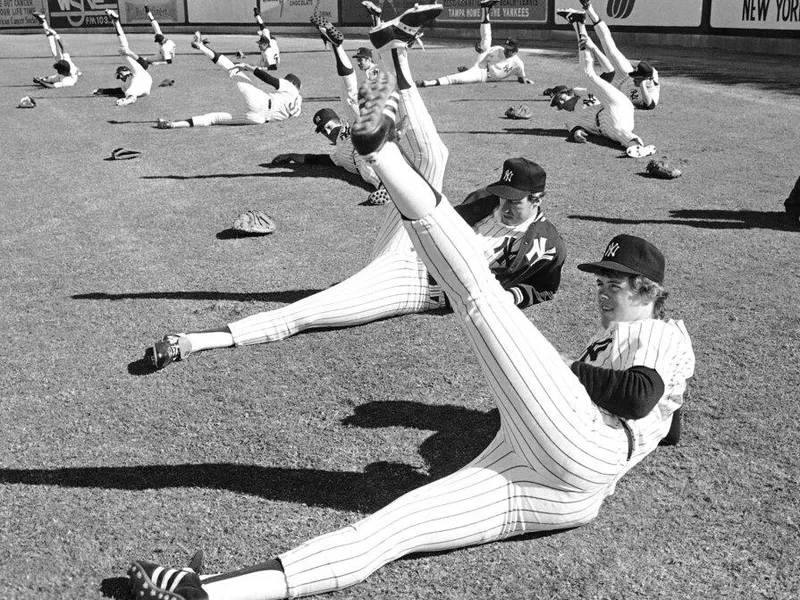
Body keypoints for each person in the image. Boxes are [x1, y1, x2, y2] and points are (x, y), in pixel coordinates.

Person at [127, 74, 695, 600]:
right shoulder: (624, 339)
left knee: (480, 298)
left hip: (587, 447)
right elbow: (662, 417)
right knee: (389, 530)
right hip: (559, 492)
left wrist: (575, 374)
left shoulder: (659, 331)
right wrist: (660, 415)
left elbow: (640, 395)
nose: (602, 290)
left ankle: (380, 148)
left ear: (648, 290)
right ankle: (205, 593)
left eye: (615, 283)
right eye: (601, 280)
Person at [142, 5, 564, 371]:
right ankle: (396, 50)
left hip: (417, 286)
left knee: (306, 312)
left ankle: (192, 340)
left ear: (537, 200)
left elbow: (541, 287)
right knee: (436, 158)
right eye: (502, 196)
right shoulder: (490, 202)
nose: (503, 205)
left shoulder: (545, 242)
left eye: (514, 201)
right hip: (417, 242)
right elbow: (445, 214)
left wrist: (510, 297)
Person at [269, 19, 381, 196]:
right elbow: (316, 159)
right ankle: (334, 45)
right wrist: (291, 156)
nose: (326, 132)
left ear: (338, 121)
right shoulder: (337, 153)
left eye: (327, 126)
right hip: (365, 151)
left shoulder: (347, 127)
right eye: (322, 130)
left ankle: (384, 189)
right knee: (346, 94)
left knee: (350, 97)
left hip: (367, 137)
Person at [546, 11, 655, 158]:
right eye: (557, 103)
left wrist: (593, 48)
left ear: (568, 92)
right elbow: (575, 130)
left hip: (615, 103)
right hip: (607, 124)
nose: (560, 103)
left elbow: (609, 72)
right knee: (618, 133)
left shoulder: (581, 92)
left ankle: (578, 24)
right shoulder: (570, 120)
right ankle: (637, 146)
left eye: (560, 97)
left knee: (588, 76)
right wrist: (577, 134)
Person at [155, 32, 301, 128]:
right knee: (214, 118)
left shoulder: (291, 87)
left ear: (292, 83)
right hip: (258, 118)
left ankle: (201, 46)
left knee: (232, 68)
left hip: (260, 102)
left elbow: (270, 79)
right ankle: (172, 125)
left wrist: (248, 67)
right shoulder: (297, 107)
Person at [558, 0, 660, 109]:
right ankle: (588, 9)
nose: (634, 79)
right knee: (610, 49)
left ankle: (578, 23)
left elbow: (650, 105)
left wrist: (642, 84)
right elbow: (638, 64)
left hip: (615, 90)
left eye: (637, 78)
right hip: (623, 75)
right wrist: (619, 60)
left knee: (589, 86)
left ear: (645, 79)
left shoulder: (650, 92)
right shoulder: (650, 71)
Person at [417, 1, 532, 88]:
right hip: (480, 67)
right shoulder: (498, 49)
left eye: (509, 49)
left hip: (480, 75)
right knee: (487, 42)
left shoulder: (518, 64)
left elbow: (521, 77)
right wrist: (481, 49)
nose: (506, 50)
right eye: (506, 48)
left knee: (457, 79)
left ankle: (427, 83)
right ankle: (485, 8)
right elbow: (484, 52)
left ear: (516, 51)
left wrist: (526, 80)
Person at [90, 9, 153, 105]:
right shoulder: (124, 84)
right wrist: (103, 91)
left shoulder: (134, 72)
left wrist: (130, 53)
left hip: (143, 79)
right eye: (119, 73)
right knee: (127, 91)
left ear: (127, 70)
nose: (120, 74)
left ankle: (116, 21)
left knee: (123, 52)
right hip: (142, 89)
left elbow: (145, 65)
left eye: (121, 71)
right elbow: (118, 90)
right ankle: (130, 98)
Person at [31, 12, 80, 88]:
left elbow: (52, 86)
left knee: (54, 52)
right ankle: (44, 22)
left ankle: (44, 22)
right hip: (71, 71)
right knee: (54, 52)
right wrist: (56, 35)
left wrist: (40, 80)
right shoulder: (67, 63)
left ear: (63, 72)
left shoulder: (68, 81)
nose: (57, 71)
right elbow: (63, 47)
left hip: (70, 74)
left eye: (58, 70)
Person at [254, 3, 280, 70]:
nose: (259, 45)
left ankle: (257, 16)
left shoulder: (267, 53)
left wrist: (260, 69)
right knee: (264, 30)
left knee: (264, 30)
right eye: (259, 43)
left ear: (265, 44)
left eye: (260, 44)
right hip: (271, 43)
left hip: (272, 42)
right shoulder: (266, 48)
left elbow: (274, 67)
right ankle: (257, 16)